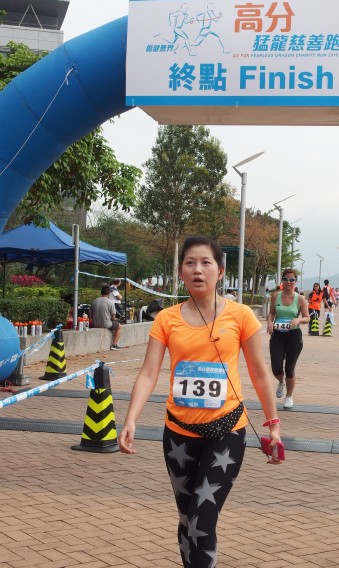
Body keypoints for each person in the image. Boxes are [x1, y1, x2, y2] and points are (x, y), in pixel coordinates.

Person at [118, 235, 282, 567]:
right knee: (187, 519)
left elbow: (260, 373)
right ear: (181, 272)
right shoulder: (166, 319)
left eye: (206, 263)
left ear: (220, 272)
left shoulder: (241, 316)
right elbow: (148, 373)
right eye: (190, 263)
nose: (198, 270)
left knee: (201, 522)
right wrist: (131, 419)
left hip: (226, 432)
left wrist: (273, 425)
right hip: (178, 435)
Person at [268, 268, 309, 408]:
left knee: (289, 369)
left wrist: (298, 320)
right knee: (276, 368)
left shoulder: (300, 298)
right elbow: (271, 313)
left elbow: (307, 318)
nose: (288, 282)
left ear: (295, 281)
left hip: (294, 336)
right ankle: (281, 381)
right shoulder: (275, 296)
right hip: (278, 335)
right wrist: (269, 322)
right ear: (282, 281)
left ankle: (289, 396)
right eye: (285, 279)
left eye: (291, 279)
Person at [90, 285, 122, 350]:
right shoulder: (110, 302)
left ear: (101, 292)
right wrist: (116, 319)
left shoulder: (94, 301)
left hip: (94, 324)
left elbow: (90, 316)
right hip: (106, 324)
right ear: (109, 293)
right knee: (119, 327)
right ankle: (114, 345)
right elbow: (113, 318)